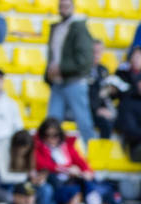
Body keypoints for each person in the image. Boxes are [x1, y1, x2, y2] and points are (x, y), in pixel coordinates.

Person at [44, 0, 95, 140]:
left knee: (84, 123)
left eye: (67, 6)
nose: (63, 9)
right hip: (58, 82)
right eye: (61, 6)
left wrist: (61, 69)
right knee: (52, 123)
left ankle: (92, 154)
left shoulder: (79, 28)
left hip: (75, 82)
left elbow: (84, 60)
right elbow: (53, 56)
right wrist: (49, 74)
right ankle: (50, 156)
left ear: (73, 7)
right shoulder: (57, 27)